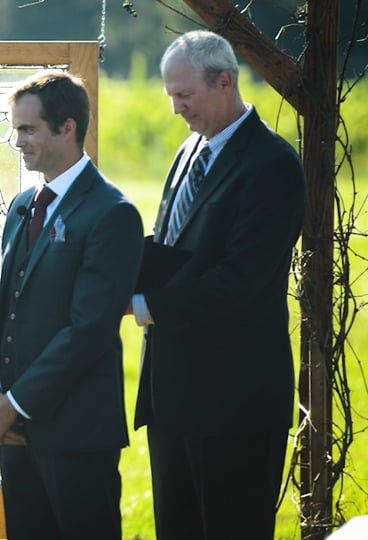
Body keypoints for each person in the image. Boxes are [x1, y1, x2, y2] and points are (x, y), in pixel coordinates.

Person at [129, 31, 305, 539]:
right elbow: (170, 249)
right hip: (172, 401)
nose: (176, 109)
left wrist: (141, 304)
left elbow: (238, 281)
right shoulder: (189, 151)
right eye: (170, 96)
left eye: (184, 95)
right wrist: (97, 264)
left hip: (236, 407)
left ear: (224, 82)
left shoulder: (272, 165)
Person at [0, 71, 144, 539]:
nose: (18, 141)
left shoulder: (112, 213)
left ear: (67, 128)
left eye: (27, 129)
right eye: (16, 129)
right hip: (14, 432)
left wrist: (17, 402)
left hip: (77, 435)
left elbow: (88, 329)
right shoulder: (23, 205)